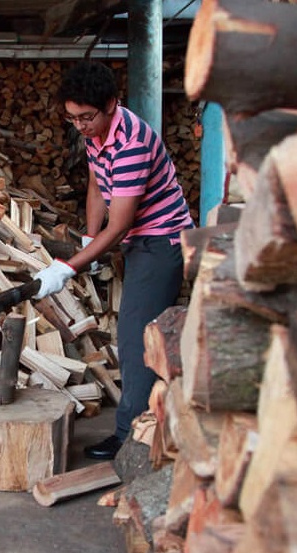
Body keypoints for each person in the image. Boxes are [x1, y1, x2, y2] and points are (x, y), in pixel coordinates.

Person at [33, 61, 194, 460]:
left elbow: (119, 225)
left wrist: (68, 267)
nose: (80, 126)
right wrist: (89, 237)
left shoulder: (131, 143)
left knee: (138, 338)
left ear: (111, 104)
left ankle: (130, 439)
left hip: (161, 241)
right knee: (136, 332)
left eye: (87, 117)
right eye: (72, 119)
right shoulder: (96, 133)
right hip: (138, 238)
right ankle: (139, 428)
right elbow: (96, 184)